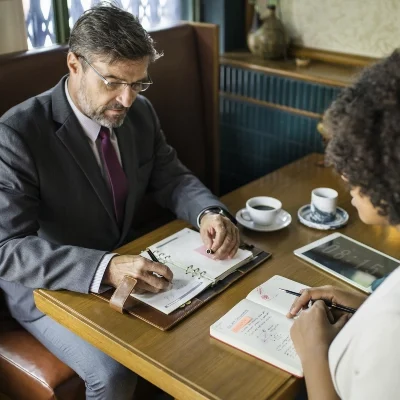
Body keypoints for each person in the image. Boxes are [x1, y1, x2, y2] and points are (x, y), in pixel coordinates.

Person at [0, 4, 239, 399]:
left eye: (138, 83)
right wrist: (105, 267)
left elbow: (173, 178)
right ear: (74, 64)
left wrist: (208, 212)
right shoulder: (17, 134)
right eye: (112, 82)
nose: (126, 99)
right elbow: (7, 250)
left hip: (126, 261)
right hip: (48, 288)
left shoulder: (140, 113)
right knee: (112, 374)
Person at [287, 50, 400, 400]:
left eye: (357, 158)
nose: (344, 173)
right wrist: (368, 305)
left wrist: (314, 353)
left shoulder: (391, 330)